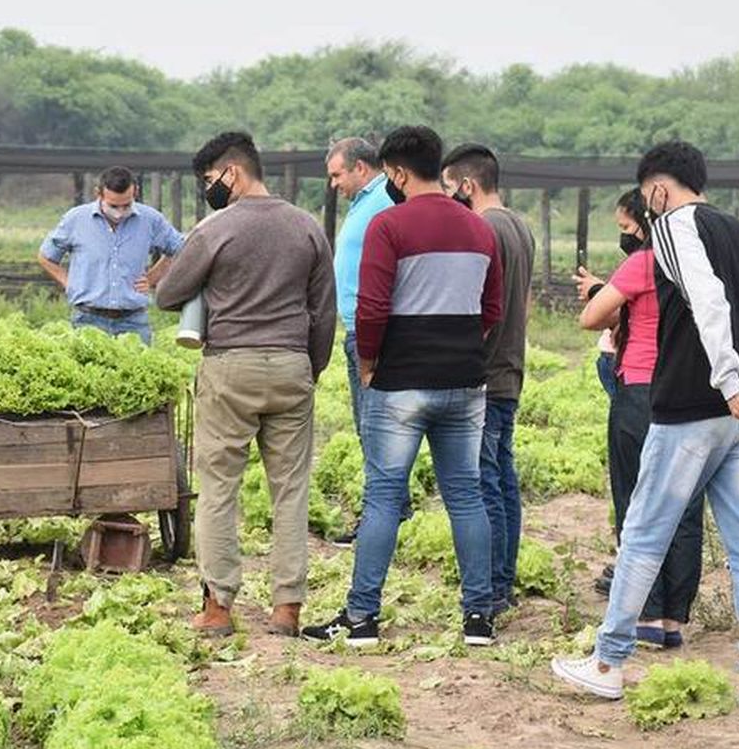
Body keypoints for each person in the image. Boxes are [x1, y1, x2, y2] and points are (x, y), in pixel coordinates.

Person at [551, 139, 739, 717]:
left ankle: (608, 664)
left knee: (643, 532)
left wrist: (731, 381)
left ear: (659, 190)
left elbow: (708, 302)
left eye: (647, 198)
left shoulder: (672, 225)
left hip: (692, 407)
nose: (648, 208)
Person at [302, 125, 504, 648]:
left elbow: (370, 307)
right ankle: (478, 617)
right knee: (466, 494)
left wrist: (369, 364)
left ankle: (362, 617)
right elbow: (492, 311)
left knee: (385, 497)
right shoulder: (479, 228)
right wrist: (458, 346)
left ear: (394, 171)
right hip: (465, 382)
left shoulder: (388, 225)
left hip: (401, 384)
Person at [155, 132, 336, 639]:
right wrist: (310, 368)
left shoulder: (216, 229)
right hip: (291, 366)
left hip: (230, 367)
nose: (210, 189)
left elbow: (169, 294)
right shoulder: (306, 226)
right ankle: (287, 609)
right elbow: (324, 311)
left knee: (218, 488)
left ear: (232, 173)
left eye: (211, 180)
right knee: (291, 492)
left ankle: (218, 608)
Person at [577, 189, 705, 648]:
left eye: (630, 228)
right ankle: (674, 619)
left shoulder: (644, 263)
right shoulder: (702, 262)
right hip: (694, 392)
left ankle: (645, 613)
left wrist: (605, 296)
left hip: (641, 390)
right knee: (686, 504)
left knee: (636, 501)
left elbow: (591, 319)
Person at [442, 143, 535, 618]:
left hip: (486, 372)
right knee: (502, 479)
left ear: (467, 185)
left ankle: (493, 590)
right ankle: (504, 580)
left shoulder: (482, 228)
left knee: (484, 485)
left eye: (448, 186)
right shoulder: (519, 225)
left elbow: (481, 307)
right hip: (511, 368)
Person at [324, 135, 393, 547]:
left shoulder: (384, 199)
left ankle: (378, 518)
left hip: (371, 332)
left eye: (337, 174)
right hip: (357, 328)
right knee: (368, 428)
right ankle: (385, 511)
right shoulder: (365, 202)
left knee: (374, 427)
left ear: (361, 168)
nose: (334, 183)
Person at [39, 166, 185, 345]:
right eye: (113, 206)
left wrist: (152, 278)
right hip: (88, 319)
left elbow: (180, 249)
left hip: (134, 321)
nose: (120, 212)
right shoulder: (76, 219)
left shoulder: (151, 219)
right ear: (98, 194)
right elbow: (46, 256)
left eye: (126, 205)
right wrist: (68, 282)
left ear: (135, 192)